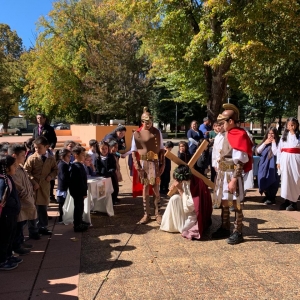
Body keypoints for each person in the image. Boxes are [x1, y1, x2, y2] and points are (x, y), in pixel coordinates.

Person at [212, 103, 253, 245]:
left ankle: (238, 231)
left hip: (232, 174)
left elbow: (240, 161)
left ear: (230, 121)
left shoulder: (239, 134)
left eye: (223, 122)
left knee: (236, 204)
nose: (221, 124)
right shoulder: (227, 134)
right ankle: (225, 227)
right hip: (223, 173)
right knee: (224, 202)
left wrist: (234, 179)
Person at [131, 107, 165, 224]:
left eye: (150, 122)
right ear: (142, 122)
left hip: (155, 163)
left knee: (156, 188)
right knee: (145, 188)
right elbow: (134, 152)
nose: (149, 124)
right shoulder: (137, 134)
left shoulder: (157, 132)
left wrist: (162, 164)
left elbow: (161, 150)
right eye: (147, 122)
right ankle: (146, 214)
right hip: (144, 164)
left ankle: (158, 214)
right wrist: (138, 167)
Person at [160, 165, 212, 240]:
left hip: (195, 214)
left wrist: (180, 190)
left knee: (183, 230)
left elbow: (191, 206)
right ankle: (171, 224)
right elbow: (185, 195)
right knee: (174, 199)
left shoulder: (196, 184)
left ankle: (182, 224)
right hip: (188, 207)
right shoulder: (186, 180)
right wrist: (177, 188)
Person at [24, 136, 58, 236]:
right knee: (33, 209)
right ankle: (33, 229)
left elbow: (55, 170)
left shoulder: (51, 158)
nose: (37, 149)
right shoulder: (31, 158)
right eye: (35, 147)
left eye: (39, 147)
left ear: (46, 147)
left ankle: (43, 227)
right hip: (34, 188)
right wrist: (33, 182)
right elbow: (26, 172)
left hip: (45, 187)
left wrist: (51, 176)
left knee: (43, 208)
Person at [8, 144, 37, 255]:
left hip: (27, 200)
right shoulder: (13, 170)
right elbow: (18, 187)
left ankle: (20, 242)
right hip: (22, 202)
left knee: (22, 224)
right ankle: (17, 246)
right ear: (14, 156)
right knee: (18, 225)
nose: (24, 157)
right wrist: (26, 194)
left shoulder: (20, 166)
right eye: (22, 155)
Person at [0, 155, 21, 270]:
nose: (16, 167)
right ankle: (2, 261)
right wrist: (12, 203)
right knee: (4, 238)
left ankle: (8, 256)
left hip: (12, 215)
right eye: (13, 165)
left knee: (10, 237)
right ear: (6, 167)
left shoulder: (8, 178)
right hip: (6, 216)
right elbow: (2, 199)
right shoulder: (2, 181)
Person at [32, 113, 57, 202]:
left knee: (49, 172)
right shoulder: (35, 129)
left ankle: (51, 194)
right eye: (37, 118)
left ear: (44, 119)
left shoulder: (49, 128)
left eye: (40, 118)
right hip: (37, 152)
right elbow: (33, 139)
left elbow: (54, 139)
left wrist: (51, 147)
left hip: (47, 151)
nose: (39, 119)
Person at [277, 117, 300, 211]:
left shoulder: (299, 136)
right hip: (285, 159)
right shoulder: (284, 137)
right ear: (286, 126)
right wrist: (278, 162)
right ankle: (286, 200)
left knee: (295, 179)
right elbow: (279, 150)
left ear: (296, 125)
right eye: (289, 125)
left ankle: (294, 202)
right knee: (285, 179)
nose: (291, 126)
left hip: (296, 160)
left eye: (293, 125)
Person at [256, 127, 280, 205]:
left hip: (273, 165)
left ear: (275, 134)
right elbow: (258, 151)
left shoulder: (278, 143)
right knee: (262, 178)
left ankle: (271, 197)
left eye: (272, 133)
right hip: (263, 165)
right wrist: (264, 143)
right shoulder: (264, 142)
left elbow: (276, 153)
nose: (270, 135)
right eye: (269, 133)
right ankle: (267, 195)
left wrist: (273, 143)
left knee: (272, 179)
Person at [69, 146, 89, 232]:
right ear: (76, 155)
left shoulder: (79, 165)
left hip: (78, 191)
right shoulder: (76, 166)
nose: (84, 156)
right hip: (78, 191)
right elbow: (80, 181)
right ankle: (77, 225)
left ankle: (79, 221)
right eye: (82, 154)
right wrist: (84, 192)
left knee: (80, 206)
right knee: (78, 207)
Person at [95, 141, 118, 205]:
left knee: (114, 189)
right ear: (99, 149)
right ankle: (103, 204)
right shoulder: (97, 158)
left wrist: (110, 172)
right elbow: (96, 168)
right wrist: (100, 174)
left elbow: (113, 166)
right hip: (101, 178)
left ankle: (112, 203)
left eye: (106, 148)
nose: (104, 150)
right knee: (103, 191)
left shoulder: (111, 156)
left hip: (111, 176)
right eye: (102, 149)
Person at [211, 122, 225, 209]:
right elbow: (214, 152)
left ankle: (226, 202)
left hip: (225, 162)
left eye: (220, 125)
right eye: (217, 126)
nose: (218, 127)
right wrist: (214, 163)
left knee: (224, 183)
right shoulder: (217, 137)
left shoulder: (226, 136)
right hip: (217, 163)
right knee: (218, 183)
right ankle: (217, 201)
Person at [56, 148, 71, 223]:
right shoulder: (62, 165)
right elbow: (64, 177)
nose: (69, 158)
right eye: (68, 156)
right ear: (63, 157)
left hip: (65, 187)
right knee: (62, 204)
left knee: (65, 203)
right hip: (63, 187)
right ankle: (61, 218)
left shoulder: (66, 164)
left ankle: (64, 216)